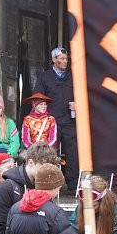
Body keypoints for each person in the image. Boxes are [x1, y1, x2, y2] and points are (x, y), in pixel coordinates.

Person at [34, 47, 78, 189]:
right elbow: (37, 98)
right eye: (62, 59)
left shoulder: (73, 76)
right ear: (54, 59)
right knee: (50, 152)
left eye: (66, 59)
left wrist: (78, 103)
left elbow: (83, 95)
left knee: (73, 151)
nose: (65, 61)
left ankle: (73, 183)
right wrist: (41, 112)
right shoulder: (44, 77)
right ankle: (48, 182)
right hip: (50, 121)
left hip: (69, 120)